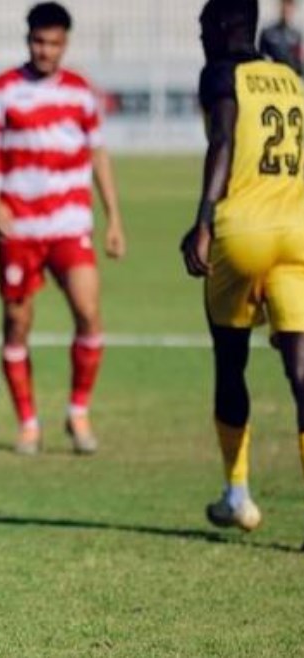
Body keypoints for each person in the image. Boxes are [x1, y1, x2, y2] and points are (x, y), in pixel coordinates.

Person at [0, 2, 126, 456]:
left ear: (65, 44)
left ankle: (78, 411)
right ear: (28, 39)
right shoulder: (3, 90)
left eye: (54, 43)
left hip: (70, 224)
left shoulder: (80, 92)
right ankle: (29, 424)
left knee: (88, 311)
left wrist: (114, 216)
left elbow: (98, 154)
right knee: (17, 322)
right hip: (19, 227)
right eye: (39, 41)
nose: (46, 50)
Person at [180, 0, 304, 542]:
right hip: (297, 232)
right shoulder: (291, 79)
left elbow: (224, 140)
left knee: (231, 364)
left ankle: (238, 493)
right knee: (301, 374)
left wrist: (202, 220)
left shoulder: (222, 72)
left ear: (229, 27)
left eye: (206, 26)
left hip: (242, 232)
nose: (202, 36)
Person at [259, 0, 303, 75]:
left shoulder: (296, 35)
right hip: (272, 75)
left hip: (289, 77)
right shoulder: (268, 32)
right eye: (284, 6)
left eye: (289, 7)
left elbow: (298, 62)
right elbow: (261, 58)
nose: (286, 10)